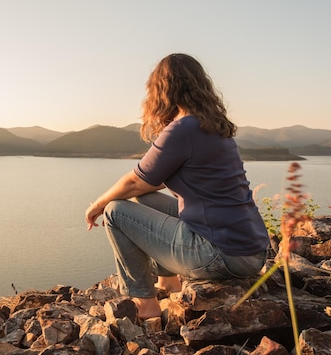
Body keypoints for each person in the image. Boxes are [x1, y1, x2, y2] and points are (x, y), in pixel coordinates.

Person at [85, 53, 269, 320]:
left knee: (115, 211)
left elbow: (135, 180)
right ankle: (168, 283)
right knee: (144, 199)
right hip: (250, 251)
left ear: (162, 89)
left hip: (220, 254)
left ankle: (144, 302)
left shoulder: (182, 129)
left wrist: (97, 205)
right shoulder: (215, 126)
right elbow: (151, 183)